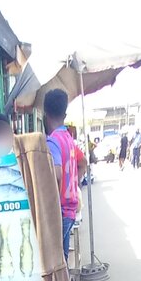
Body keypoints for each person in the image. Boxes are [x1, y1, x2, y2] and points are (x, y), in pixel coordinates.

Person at [43, 88, 87, 264]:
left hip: (59, 210)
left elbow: (57, 173)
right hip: (70, 209)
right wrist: (75, 185)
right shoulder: (68, 138)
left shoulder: (52, 140)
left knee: (55, 264)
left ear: (45, 113)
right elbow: (83, 162)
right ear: (64, 113)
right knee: (62, 264)